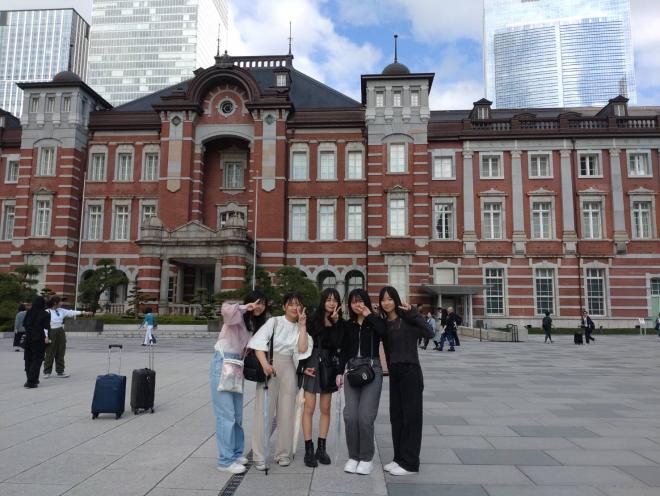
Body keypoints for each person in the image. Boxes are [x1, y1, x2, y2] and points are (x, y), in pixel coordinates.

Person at [248, 291, 313, 470]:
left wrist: (302, 326)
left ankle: (283, 453)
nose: (294, 307)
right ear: (284, 307)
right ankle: (259, 455)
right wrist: (265, 365)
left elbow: (302, 349)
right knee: (264, 412)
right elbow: (258, 344)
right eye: (291, 304)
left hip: (289, 367)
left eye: (297, 304)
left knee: (287, 412)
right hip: (270, 365)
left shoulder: (300, 327)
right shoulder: (274, 322)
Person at [379, 287, 434, 476]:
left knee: (411, 418)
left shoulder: (407, 319)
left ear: (395, 300)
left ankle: (410, 464)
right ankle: (399, 458)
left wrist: (414, 313)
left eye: (389, 299)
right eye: (383, 300)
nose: (386, 303)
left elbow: (430, 333)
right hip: (395, 373)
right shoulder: (385, 324)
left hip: (411, 371)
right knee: (397, 417)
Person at [210, 294, 265, 474]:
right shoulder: (237, 316)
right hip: (223, 363)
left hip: (236, 367)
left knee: (237, 415)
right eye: (257, 302)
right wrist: (245, 307)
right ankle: (225, 461)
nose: (259, 306)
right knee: (226, 415)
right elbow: (225, 310)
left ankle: (235, 453)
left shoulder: (253, 325)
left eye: (263, 304)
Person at [337, 288, 387, 475]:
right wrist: (339, 372)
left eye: (360, 300)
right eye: (353, 301)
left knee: (365, 417)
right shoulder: (348, 325)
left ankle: (366, 458)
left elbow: (384, 333)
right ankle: (353, 456)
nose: (357, 304)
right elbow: (343, 350)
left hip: (372, 370)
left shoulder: (375, 321)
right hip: (352, 370)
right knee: (350, 416)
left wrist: (369, 316)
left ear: (366, 301)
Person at [299, 288, 344, 468]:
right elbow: (302, 343)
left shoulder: (339, 322)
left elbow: (338, 345)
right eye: (328, 299)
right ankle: (308, 450)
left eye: (335, 300)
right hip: (312, 362)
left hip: (328, 365)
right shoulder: (312, 319)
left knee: (325, 408)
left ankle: (321, 448)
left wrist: (336, 323)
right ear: (323, 301)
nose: (332, 303)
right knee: (309, 408)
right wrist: (302, 367)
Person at [43, 296, 89, 378]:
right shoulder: (47, 312)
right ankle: (47, 371)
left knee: (61, 351)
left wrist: (82, 312)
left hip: (60, 331)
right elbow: (44, 326)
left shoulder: (61, 310)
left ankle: (60, 371)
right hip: (51, 331)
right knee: (50, 352)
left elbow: (71, 312)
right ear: (55, 303)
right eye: (60, 301)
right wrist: (46, 336)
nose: (62, 303)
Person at [23, 296, 51, 388]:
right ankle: (31, 381)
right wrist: (47, 338)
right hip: (39, 339)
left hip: (28, 338)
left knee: (28, 359)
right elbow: (46, 328)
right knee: (37, 359)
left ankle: (31, 378)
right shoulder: (45, 314)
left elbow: (24, 324)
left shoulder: (29, 312)